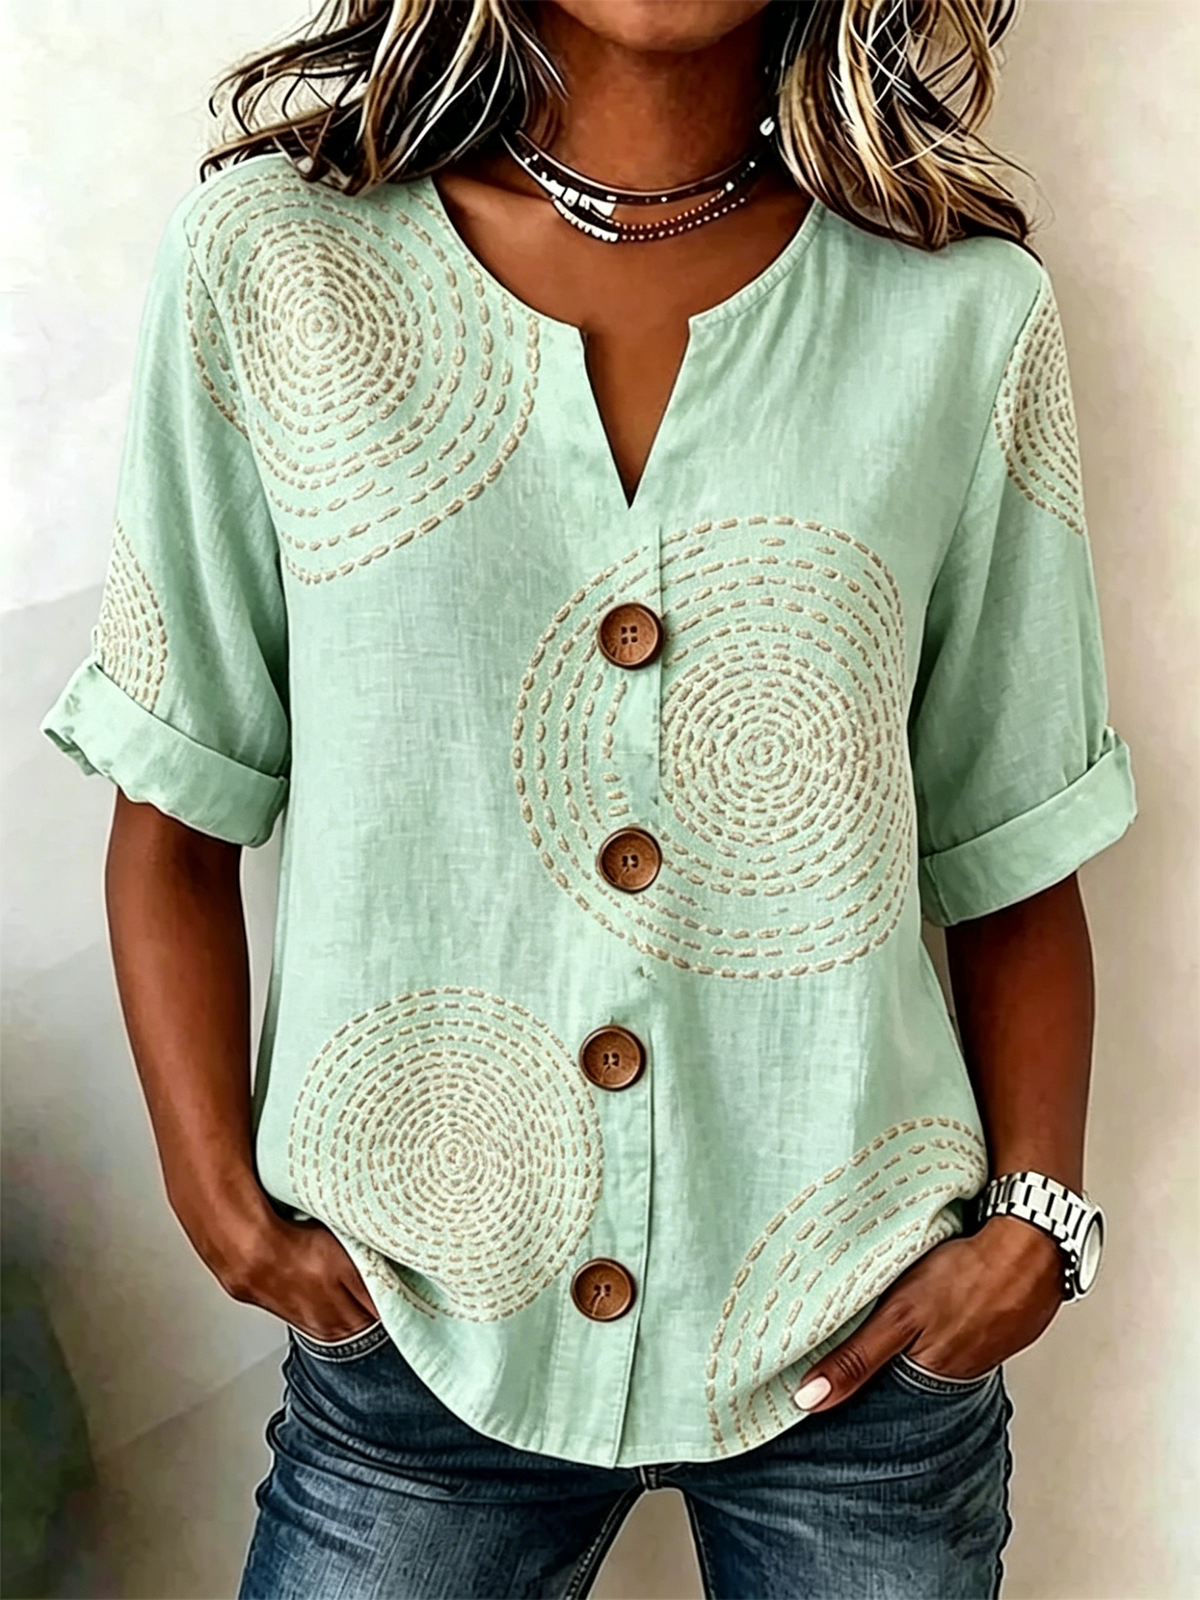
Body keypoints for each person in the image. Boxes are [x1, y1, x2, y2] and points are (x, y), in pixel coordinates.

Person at [38, 0, 1139, 1595]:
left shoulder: (959, 313)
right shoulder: (278, 264)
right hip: (416, 1332)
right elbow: (175, 803)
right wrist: (225, 1211)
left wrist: (1034, 1232)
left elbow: (1012, 842)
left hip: (863, 1335)